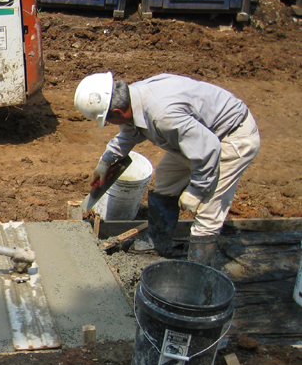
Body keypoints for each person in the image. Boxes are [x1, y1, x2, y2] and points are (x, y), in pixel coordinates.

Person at [74, 71, 260, 267]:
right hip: (197, 137)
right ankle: (158, 242)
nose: (111, 125)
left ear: (118, 113)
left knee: (208, 209)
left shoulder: (163, 116)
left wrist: (196, 191)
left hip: (229, 137)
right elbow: (131, 131)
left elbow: (209, 149)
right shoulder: (134, 97)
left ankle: (196, 274)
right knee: (166, 178)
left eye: (109, 120)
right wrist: (106, 160)